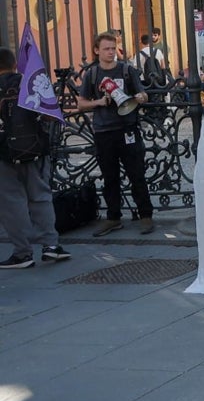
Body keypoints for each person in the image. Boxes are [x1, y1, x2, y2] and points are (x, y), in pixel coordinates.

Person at [77, 31, 153, 236]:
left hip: (127, 128)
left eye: (113, 48)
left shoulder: (127, 70)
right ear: (96, 51)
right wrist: (99, 102)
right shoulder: (92, 74)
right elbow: (81, 103)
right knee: (110, 177)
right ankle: (113, 217)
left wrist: (141, 97)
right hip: (104, 131)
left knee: (136, 173)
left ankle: (146, 215)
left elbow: (143, 93)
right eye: (106, 49)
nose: (111, 52)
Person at [0, 47, 69, 267]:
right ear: (14, 64)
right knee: (40, 195)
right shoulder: (30, 81)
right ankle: (51, 245)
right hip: (35, 148)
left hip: (3, 152)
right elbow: (51, 115)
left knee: (12, 202)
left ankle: (22, 253)